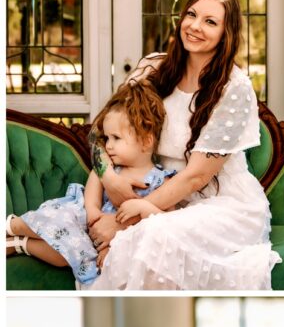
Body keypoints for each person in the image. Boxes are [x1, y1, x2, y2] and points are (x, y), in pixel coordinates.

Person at [88, 0, 281, 290]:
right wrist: (109, 177)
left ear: (225, 34)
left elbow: (196, 176)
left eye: (210, 21)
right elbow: (99, 132)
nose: (195, 26)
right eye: (191, 14)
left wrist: (130, 218)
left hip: (221, 204)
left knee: (153, 237)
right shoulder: (152, 67)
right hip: (155, 192)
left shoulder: (234, 87)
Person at [6, 78, 174, 286]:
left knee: (66, 258)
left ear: (147, 141)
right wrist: (94, 216)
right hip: (82, 218)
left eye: (116, 138)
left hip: (107, 240)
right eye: (107, 138)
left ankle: (19, 244)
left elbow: (166, 221)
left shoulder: (163, 181)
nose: (108, 146)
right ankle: (10, 226)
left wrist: (111, 240)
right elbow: (93, 193)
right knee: (55, 221)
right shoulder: (110, 169)